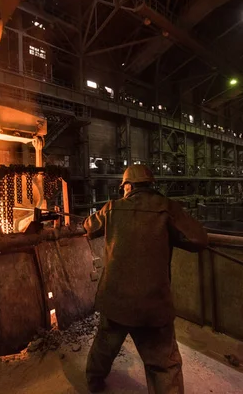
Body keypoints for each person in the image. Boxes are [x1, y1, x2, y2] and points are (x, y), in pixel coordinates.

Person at [84, 164, 210, 393]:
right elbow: (199, 239)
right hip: (152, 305)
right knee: (163, 366)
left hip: (115, 300)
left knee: (104, 347)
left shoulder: (112, 208)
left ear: (129, 186)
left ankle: (93, 381)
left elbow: (88, 227)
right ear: (151, 185)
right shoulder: (167, 208)